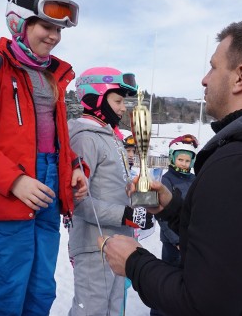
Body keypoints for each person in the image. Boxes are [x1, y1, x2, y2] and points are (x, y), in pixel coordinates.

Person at [99, 20, 242, 315]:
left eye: (213, 67)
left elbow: (202, 304)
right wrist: (173, 208)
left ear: (240, 77)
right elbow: (235, 237)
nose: (204, 80)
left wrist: (134, 262)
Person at [0, 0, 87, 316]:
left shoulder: (52, 78)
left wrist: (72, 168)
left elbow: (55, 141)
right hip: (4, 199)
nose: (54, 36)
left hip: (47, 192)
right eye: (46, 25)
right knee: (4, 295)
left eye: (59, 29)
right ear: (20, 21)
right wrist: (15, 180)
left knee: (41, 291)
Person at [67, 67, 155, 316]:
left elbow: (116, 188)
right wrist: (127, 214)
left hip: (118, 242)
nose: (122, 108)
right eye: (117, 101)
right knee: (92, 311)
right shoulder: (85, 138)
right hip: (94, 244)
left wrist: (143, 200)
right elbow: (77, 201)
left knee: (114, 309)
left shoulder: (112, 138)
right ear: (95, 98)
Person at [150, 134, 198, 316]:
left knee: (188, 280)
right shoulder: (167, 180)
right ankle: (159, 312)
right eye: (180, 159)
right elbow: (162, 215)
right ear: (172, 158)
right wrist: (176, 240)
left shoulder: (194, 179)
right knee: (169, 278)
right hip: (173, 242)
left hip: (191, 240)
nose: (184, 164)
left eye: (187, 160)